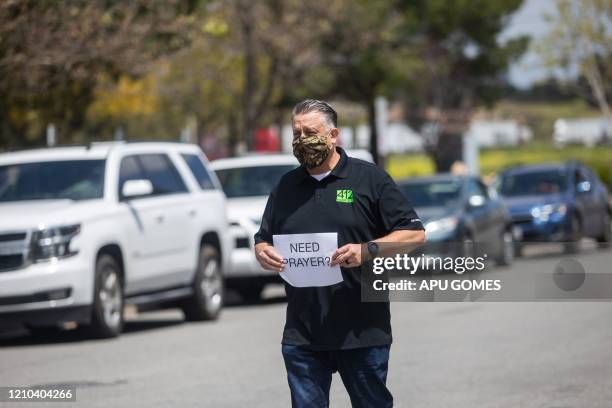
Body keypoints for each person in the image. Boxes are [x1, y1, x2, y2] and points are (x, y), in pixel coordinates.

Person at [254, 99, 425, 407]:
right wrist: (263, 252)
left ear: (333, 135)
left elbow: (414, 233)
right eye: (296, 133)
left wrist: (368, 249)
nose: (302, 140)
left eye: (310, 132)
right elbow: (263, 238)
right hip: (303, 333)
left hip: (361, 329)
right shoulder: (286, 186)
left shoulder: (369, 179)